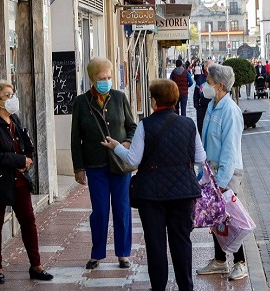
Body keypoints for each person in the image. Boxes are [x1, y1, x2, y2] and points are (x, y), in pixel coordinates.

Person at [101, 79, 205, 291]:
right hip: (183, 192)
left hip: (152, 194)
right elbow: (200, 157)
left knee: (156, 244)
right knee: (182, 242)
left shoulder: (145, 125)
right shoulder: (188, 124)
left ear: (155, 101)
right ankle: (186, 286)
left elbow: (132, 160)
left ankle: (159, 287)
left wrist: (117, 147)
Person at [0, 81, 54, 284]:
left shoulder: (14, 119)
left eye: (13, 93)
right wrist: (20, 160)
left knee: (28, 222)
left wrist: (28, 160)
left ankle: (36, 266)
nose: (13, 98)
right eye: (8, 95)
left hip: (19, 181)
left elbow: (27, 144)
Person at [71, 57, 137, 270]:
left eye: (109, 77)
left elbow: (132, 126)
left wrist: (126, 142)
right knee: (99, 211)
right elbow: (75, 139)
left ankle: (123, 254)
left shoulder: (119, 98)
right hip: (95, 164)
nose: (106, 81)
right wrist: (78, 167)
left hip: (120, 163)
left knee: (122, 208)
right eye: (102, 78)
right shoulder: (81, 102)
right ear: (92, 78)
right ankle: (97, 253)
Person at [195, 64, 247, 281]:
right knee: (216, 215)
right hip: (212, 169)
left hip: (227, 172)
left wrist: (223, 181)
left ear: (220, 85)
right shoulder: (213, 106)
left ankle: (240, 262)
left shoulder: (230, 111)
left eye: (209, 82)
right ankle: (219, 261)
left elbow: (230, 149)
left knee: (231, 216)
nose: (205, 85)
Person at [193, 60, 214, 135]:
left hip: (213, 107)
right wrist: (196, 104)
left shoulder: (216, 78)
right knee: (201, 128)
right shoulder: (200, 78)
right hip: (202, 107)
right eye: (207, 67)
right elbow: (196, 92)